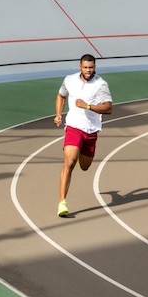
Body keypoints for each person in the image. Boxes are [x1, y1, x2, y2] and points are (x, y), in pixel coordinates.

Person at [54, 54, 113, 217]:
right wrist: (58, 114)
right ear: (80, 66)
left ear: (95, 67)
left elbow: (108, 108)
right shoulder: (69, 80)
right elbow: (61, 95)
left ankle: (79, 153)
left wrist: (87, 106)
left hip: (91, 130)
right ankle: (62, 202)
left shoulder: (101, 85)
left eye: (91, 67)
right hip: (73, 126)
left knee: (85, 166)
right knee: (69, 162)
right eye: (85, 67)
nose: (88, 70)